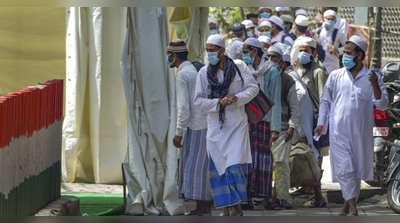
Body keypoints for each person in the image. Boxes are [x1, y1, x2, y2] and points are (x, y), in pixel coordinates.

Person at [315, 35, 389, 216]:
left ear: (360, 56)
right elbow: (325, 101)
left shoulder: (372, 76)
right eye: (344, 52)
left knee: (354, 170)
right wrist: (321, 123)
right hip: (338, 131)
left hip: (361, 133)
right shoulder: (335, 76)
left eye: (349, 53)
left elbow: (383, 104)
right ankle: (354, 209)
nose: (345, 56)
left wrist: (375, 86)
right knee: (345, 167)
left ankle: (346, 206)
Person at [194, 34, 259, 216]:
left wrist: (236, 97)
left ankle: (236, 208)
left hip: (237, 124)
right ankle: (224, 209)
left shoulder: (239, 67)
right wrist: (217, 103)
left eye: (212, 50)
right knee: (218, 168)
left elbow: (253, 88)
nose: (209, 54)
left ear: (222, 51)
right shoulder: (204, 73)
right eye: (207, 50)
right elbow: (198, 101)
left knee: (233, 166)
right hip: (215, 127)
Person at [166, 39, 212, 216]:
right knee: (199, 167)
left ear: (174, 56)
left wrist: (179, 132)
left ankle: (203, 208)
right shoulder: (193, 70)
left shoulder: (183, 75)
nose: (168, 59)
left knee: (195, 168)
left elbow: (184, 107)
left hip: (196, 126)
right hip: (202, 124)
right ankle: (202, 206)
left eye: (169, 55)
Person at [241, 38, 281, 210]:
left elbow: (276, 101)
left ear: (255, 52)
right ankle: (247, 197)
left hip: (265, 122)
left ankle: (264, 198)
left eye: (245, 51)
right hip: (249, 121)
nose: (244, 55)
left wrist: (275, 128)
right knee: (248, 160)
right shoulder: (245, 70)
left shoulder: (272, 72)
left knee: (264, 161)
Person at [266, 46, 300, 210]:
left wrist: (292, 127)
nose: (271, 60)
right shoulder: (261, 76)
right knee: (264, 165)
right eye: (268, 56)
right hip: (263, 128)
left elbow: (295, 107)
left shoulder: (288, 81)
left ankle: (283, 198)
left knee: (281, 164)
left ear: (282, 62)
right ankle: (266, 197)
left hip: (282, 129)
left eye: (274, 57)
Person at [314, 10, 347, 74]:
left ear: (335, 21)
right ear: (324, 19)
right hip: (320, 64)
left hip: (333, 65)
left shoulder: (339, 33)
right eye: (328, 19)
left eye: (332, 19)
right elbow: (311, 40)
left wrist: (337, 50)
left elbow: (347, 47)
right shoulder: (318, 31)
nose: (330, 21)